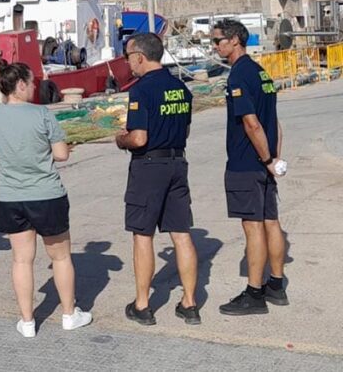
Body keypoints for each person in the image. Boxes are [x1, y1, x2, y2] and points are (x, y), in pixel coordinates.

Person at [0, 62, 92, 337]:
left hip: (11, 197)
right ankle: (68, 314)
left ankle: (27, 321)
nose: (33, 88)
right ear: (19, 85)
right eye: (31, 83)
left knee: (21, 260)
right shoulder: (42, 114)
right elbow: (62, 153)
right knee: (61, 257)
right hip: (46, 194)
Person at [115, 33, 201, 326]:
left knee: (142, 234)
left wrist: (121, 139)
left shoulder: (141, 90)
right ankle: (190, 303)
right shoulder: (180, 88)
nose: (128, 63)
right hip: (178, 161)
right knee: (181, 233)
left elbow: (139, 138)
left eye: (128, 57)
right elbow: (185, 131)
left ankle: (142, 305)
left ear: (140, 56)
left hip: (149, 166)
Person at [211, 19, 288, 315]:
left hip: (247, 162)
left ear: (234, 40)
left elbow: (252, 123)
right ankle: (276, 285)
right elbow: (275, 122)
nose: (215, 46)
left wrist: (267, 160)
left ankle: (254, 293)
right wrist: (274, 159)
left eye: (218, 40)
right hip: (265, 162)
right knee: (271, 221)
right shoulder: (261, 72)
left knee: (253, 226)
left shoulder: (239, 76)